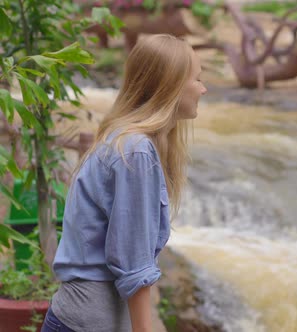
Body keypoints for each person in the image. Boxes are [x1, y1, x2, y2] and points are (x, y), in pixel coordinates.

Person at [41, 34, 207, 332]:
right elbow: (134, 263)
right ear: (170, 85)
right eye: (197, 78)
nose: (203, 88)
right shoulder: (136, 151)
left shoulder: (126, 141)